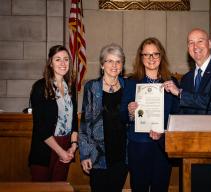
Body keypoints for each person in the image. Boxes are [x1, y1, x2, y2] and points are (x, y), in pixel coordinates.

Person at [165, 28, 211, 192]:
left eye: (200, 41)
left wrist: (180, 93)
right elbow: (181, 112)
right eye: (191, 42)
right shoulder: (186, 78)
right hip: (190, 151)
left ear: (210, 44)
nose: (195, 46)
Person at [120, 37, 179, 192]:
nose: (151, 58)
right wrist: (130, 111)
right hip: (138, 145)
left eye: (155, 54)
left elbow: (177, 115)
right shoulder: (132, 82)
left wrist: (163, 133)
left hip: (162, 146)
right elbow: (122, 116)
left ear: (161, 56)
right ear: (141, 57)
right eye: (146, 54)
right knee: (139, 187)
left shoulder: (171, 82)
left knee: (161, 187)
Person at [79, 43, 128, 192]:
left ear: (122, 65)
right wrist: (85, 154)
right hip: (98, 154)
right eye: (110, 61)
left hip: (122, 154)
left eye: (118, 61)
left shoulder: (128, 86)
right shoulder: (92, 87)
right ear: (102, 64)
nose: (114, 65)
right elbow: (85, 123)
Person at [28, 45, 78, 181]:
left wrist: (73, 146)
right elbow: (41, 127)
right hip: (46, 148)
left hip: (66, 145)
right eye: (58, 59)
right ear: (50, 62)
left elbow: (74, 120)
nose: (63, 63)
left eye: (66, 59)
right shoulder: (40, 87)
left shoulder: (71, 87)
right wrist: (60, 151)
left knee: (60, 188)